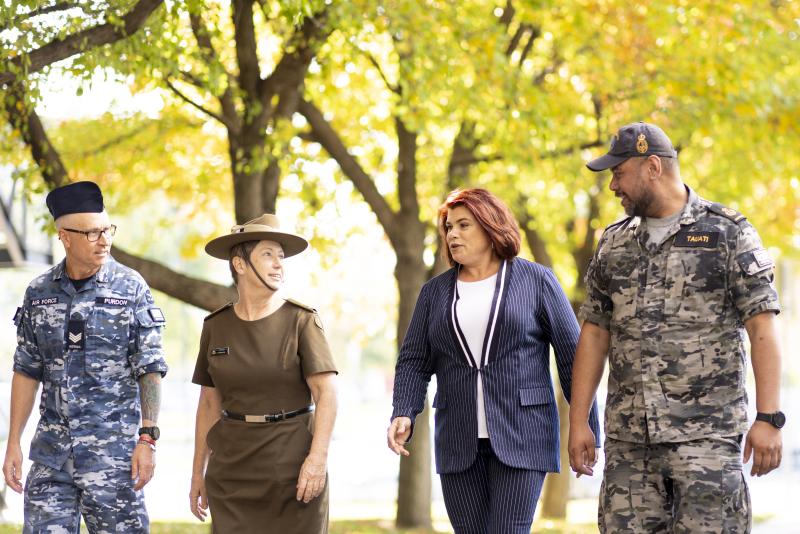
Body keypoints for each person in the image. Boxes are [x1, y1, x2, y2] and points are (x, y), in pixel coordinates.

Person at [568, 122, 784, 533]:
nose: (613, 186)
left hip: (707, 440)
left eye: (618, 173)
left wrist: (768, 417)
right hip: (630, 447)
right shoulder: (613, 243)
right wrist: (580, 421)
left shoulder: (727, 232)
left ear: (652, 166)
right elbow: (594, 333)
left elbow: (762, 327)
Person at [387, 188, 600, 534]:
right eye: (448, 227)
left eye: (463, 225)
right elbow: (413, 359)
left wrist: (584, 426)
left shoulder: (537, 281)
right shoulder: (434, 293)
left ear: (490, 227)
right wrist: (403, 411)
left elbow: (573, 358)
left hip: (524, 436)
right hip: (458, 440)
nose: (452, 234)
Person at [2, 181, 168, 533]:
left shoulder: (130, 288)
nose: (103, 240)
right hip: (52, 457)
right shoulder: (39, 292)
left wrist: (147, 439)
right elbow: (27, 370)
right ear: (64, 236)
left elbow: (150, 368)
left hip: (115, 459)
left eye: (106, 229)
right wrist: (13, 441)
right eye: (91, 233)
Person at [189, 214, 338, 534]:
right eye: (267, 255)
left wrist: (317, 460)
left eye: (281, 256)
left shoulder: (302, 320)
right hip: (231, 476)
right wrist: (197, 473)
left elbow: (327, 394)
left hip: (294, 473)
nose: (278, 264)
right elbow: (208, 405)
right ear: (239, 264)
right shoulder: (215, 326)